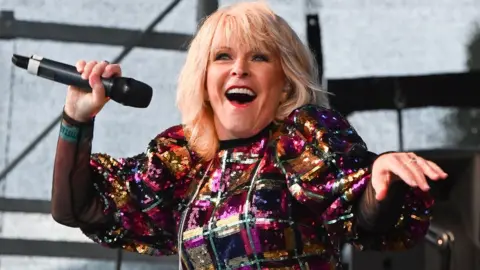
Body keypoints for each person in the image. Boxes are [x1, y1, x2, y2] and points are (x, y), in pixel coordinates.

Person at [51, 2, 447, 269]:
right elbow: (78, 209)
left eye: (259, 57)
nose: (239, 69)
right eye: (223, 57)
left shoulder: (301, 140)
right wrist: (76, 117)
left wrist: (381, 182)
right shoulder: (183, 160)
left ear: (285, 80)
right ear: (204, 78)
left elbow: (362, 214)